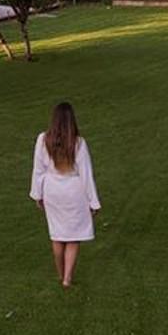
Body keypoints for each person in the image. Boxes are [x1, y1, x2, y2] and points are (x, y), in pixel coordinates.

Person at [29, 100, 100, 286]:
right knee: (73, 235)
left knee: (57, 234)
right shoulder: (78, 143)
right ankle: (67, 278)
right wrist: (93, 202)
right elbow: (86, 174)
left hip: (52, 190)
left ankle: (61, 274)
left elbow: (38, 169)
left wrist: (37, 194)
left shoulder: (43, 140)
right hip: (74, 191)